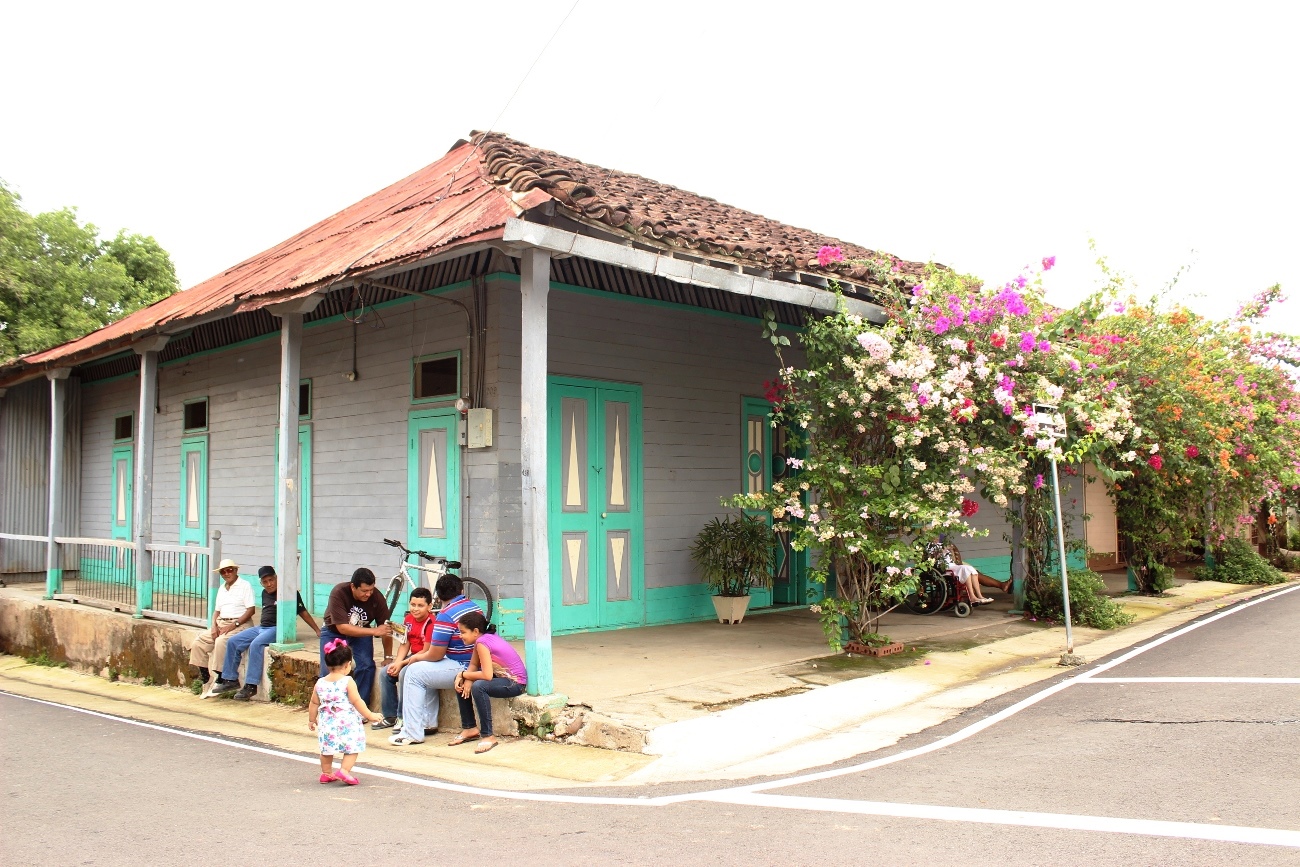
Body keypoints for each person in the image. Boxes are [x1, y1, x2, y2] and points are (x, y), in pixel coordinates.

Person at [387, 574, 482, 746]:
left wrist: (415, 658)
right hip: (474, 662)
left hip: (462, 666)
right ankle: (427, 723)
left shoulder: (445, 615)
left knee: (414, 673)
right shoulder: (474, 606)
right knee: (423, 668)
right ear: (461, 590)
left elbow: (435, 654)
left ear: (437, 596)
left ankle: (412, 732)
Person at [210, 566, 320, 701]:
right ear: (261, 583)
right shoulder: (264, 593)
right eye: (265, 582)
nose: (269, 584)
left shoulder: (288, 593)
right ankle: (230, 679)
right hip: (261, 627)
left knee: (256, 644)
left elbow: (303, 612)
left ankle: (251, 685)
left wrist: (317, 629)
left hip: (277, 629)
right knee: (233, 641)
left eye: (271, 580)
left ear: (276, 578)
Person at [449, 610, 527, 755]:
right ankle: (470, 728)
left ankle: (488, 736)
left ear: (476, 631)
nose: (460, 636)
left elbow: (486, 675)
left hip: (515, 683)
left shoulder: (482, 642)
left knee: (479, 687)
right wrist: (466, 678)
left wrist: (465, 674)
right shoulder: (481, 640)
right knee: (459, 680)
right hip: (501, 678)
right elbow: (473, 665)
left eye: (463, 632)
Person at [309, 638, 381, 785]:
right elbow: (357, 701)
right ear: (348, 665)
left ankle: (326, 773)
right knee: (352, 746)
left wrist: (311, 719)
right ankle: (344, 771)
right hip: (346, 722)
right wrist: (370, 715)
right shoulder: (347, 681)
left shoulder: (320, 682)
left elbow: (314, 702)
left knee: (327, 749)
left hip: (326, 722)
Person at [319, 568, 393, 706]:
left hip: (361, 633)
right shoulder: (339, 592)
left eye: (371, 589)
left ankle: (359, 707)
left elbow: (385, 629)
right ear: (353, 586)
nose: (368, 594)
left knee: (366, 665)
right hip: (333, 631)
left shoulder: (377, 597)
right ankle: (329, 706)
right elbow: (342, 627)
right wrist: (374, 631)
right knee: (329, 669)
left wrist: (387, 657)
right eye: (364, 591)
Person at [373, 586, 436, 729]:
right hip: (411, 656)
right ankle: (390, 716)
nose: (415, 609)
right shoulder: (408, 619)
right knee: (385, 673)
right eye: (413, 604)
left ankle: (403, 717)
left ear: (429, 606)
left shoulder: (431, 623)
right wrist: (397, 662)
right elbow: (404, 644)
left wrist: (401, 665)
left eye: (420, 605)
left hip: (424, 658)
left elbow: (425, 651)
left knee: (403, 674)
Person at [190, 559, 255, 689]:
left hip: (240, 623)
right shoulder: (222, 588)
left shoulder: (245, 585)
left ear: (236, 570)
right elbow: (216, 611)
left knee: (221, 642)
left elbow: (251, 610)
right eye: (223, 572)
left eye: (229, 570)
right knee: (198, 642)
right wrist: (214, 626)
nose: (226, 573)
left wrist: (234, 624)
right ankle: (205, 677)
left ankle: (222, 677)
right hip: (222, 622)